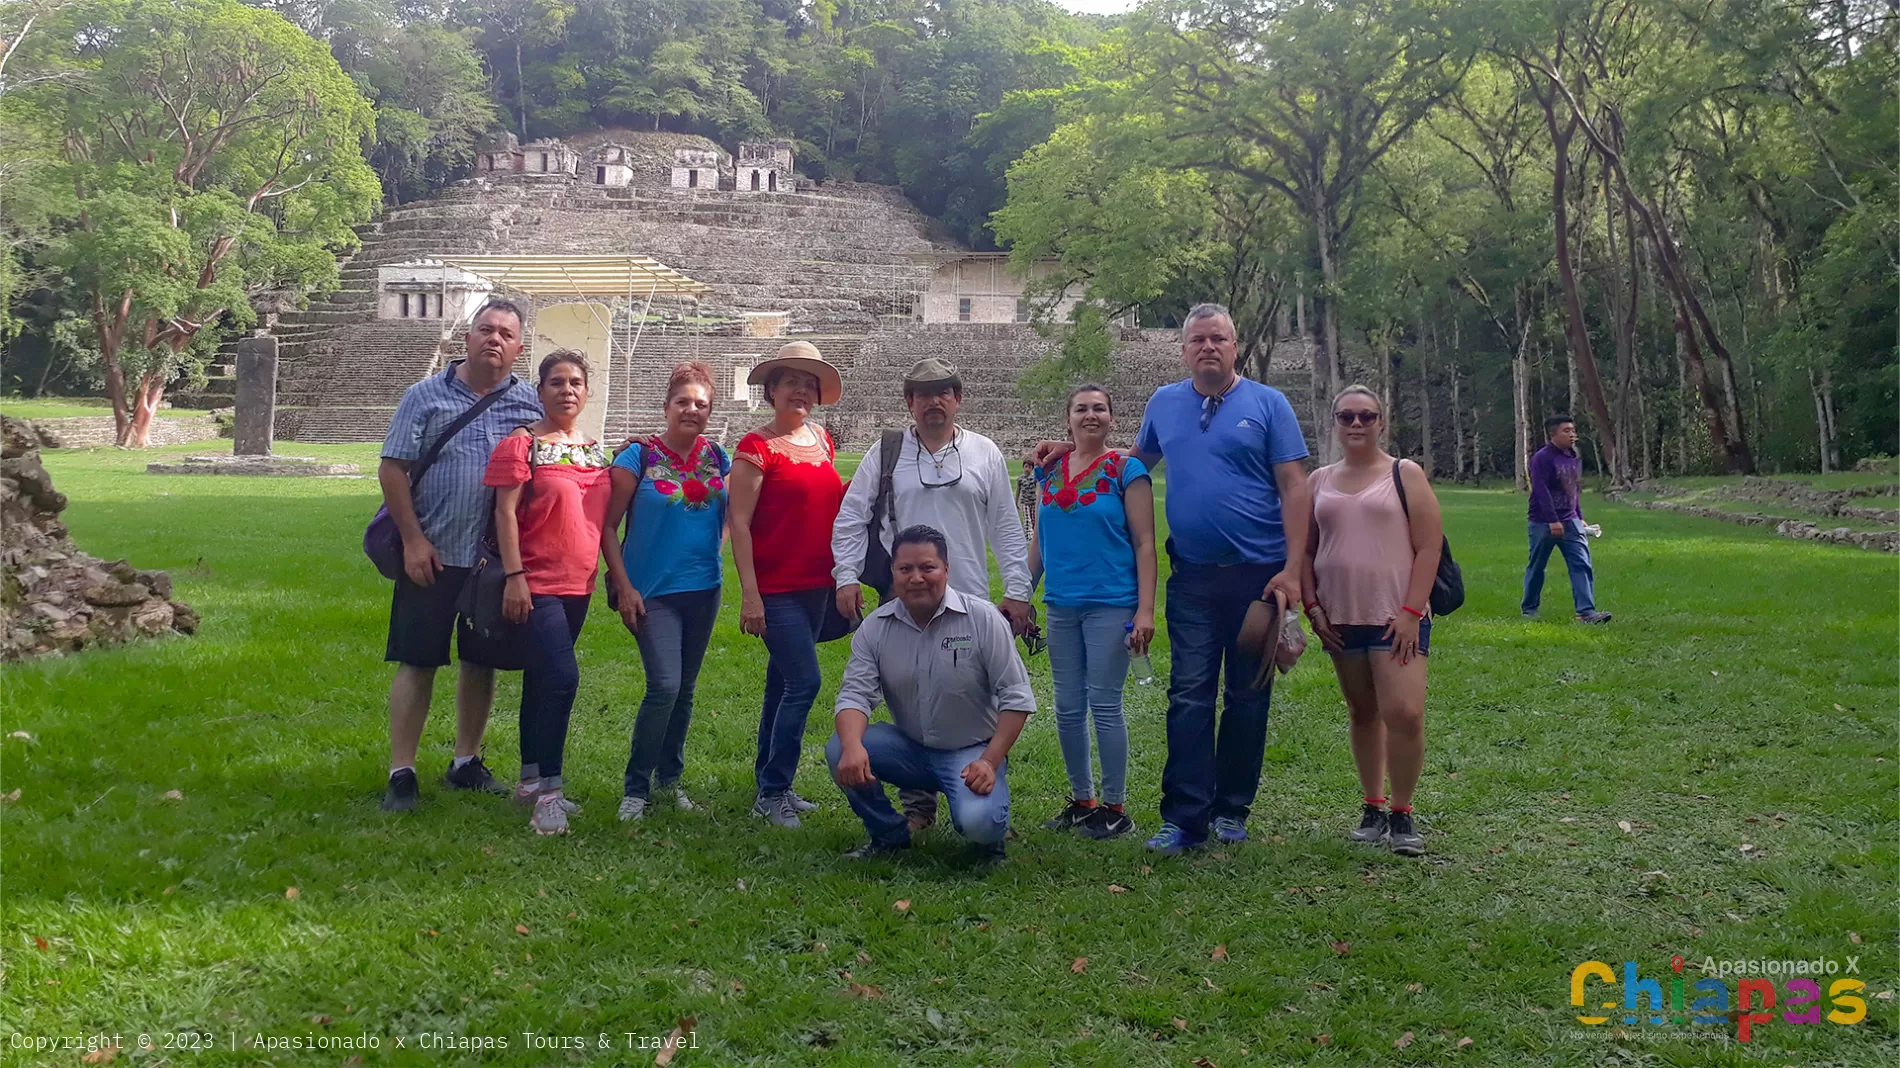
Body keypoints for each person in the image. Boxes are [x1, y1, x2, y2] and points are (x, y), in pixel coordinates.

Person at [1031, 303, 1310, 855]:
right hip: (1193, 577)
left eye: (1219, 339)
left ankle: (1232, 809)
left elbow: (1295, 488)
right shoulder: (1166, 402)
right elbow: (1128, 465)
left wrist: (1294, 571)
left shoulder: (1268, 404)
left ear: (1236, 346)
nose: (1208, 347)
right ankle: (1184, 817)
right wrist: (1076, 448)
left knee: (1248, 698)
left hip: (1258, 577)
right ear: (1183, 350)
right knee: (1188, 696)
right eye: (1198, 340)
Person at [831, 357, 1033, 832]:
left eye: (944, 392)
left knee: (975, 699)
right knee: (911, 695)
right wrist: (845, 576)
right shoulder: (886, 453)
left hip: (970, 601)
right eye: (923, 394)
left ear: (958, 399)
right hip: (903, 596)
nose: (934, 402)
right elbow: (852, 516)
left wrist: (1019, 590)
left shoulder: (983, 452)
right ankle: (918, 805)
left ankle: (984, 780)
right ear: (909, 403)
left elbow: (1006, 526)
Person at [377, 299, 544, 812]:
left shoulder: (531, 404)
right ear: (467, 339)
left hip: (491, 562)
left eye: (506, 334)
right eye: (485, 329)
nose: (494, 339)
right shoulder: (424, 396)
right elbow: (392, 470)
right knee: (418, 660)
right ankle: (401, 771)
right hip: (433, 552)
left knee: (481, 661)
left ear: (518, 348)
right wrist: (412, 540)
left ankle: (465, 761)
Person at [825, 525, 1036, 863]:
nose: (916, 578)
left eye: (928, 568)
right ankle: (889, 835)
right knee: (840, 748)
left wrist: (989, 761)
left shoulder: (983, 619)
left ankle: (989, 838)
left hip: (971, 753)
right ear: (893, 573)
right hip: (909, 748)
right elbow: (855, 695)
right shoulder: (875, 628)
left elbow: (1016, 698)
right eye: (905, 569)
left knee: (980, 823)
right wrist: (852, 747)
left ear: (947, 570)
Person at [1301, 385, 1441, 857]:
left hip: (1395, 614)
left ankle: (1403, 813)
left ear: (1382, 422)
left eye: (1367, 416)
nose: (1356, 424)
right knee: (1362, 711)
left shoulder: (1405, 474)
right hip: (1341, 616)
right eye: (1347, 417)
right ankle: (1373, 806)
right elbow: (1304, 549)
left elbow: (1429, 547)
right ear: (1335, 423)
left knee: (1404, 713)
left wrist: (1409, 613)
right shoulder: (1318, 480)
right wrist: (1313, 608)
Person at [484, 350, 616, 835]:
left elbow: (601, 521)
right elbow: (503, 513)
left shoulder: (594, 449)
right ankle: (551, 795)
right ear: (539, 391)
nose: (567, 390)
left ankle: (529, 780)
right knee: (562, 679)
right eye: (556, 382)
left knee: (543, 679)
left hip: (577, 582)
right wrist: (515, 576)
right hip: (537, 582)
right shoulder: (522, 445)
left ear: (587, 391)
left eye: (576, 382)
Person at [1028, 384, 1157, 841]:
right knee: (1066, 706)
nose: (1090, 415)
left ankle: (1115, 807)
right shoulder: (1050, 470)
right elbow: (1039, 545)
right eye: (1081, 408)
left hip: (1111, 602)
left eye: (1099, 408)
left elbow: (1145, 543)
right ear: (1068, 419)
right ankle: (1082, 801)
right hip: (1062, 604)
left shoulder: (1127, 469)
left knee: (1104, 704)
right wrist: (1023, 595)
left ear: (1112, 419)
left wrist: (1145, 610)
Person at [604, 361, 729, 822]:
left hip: (704, 589)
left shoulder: (717, 457)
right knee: (664, 685)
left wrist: (713, 550)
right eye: (684, 402)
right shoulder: (637, 456)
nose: (692, 410)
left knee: (687, 690)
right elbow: (607, 526)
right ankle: (636, 788)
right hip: (650, 591)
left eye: (701, 404)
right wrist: (624, 586)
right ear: (666, 406)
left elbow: (733, 514)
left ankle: (669, 780)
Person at [730, 342, 847, 829]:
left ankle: (771, 783)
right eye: (790, 381)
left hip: (816, 585)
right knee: (805, 682)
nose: (800, 389)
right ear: (771, 390)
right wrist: (750, 595)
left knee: (780, 686)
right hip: (776, 590)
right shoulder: (755, 448)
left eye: (808, 383)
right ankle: (774, 791)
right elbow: (739, 523)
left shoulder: (822, 439)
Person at [1523, 415, 1612, 624]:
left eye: (1573, 430)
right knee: (1537, 566)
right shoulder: (1542, 458)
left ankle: (1586, 612)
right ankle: (1529, 608)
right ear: (1552, 434)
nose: (1572, 434)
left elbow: (1573, 490)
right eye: (1566, 431)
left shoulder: (1572, 456)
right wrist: (1553, 520)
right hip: (1543, 522)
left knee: (1581, 564)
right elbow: (1541, 491)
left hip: (1571, 519)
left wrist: (1579, 516)